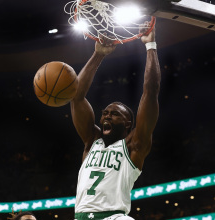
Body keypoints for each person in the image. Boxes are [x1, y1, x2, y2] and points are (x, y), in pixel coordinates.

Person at [70, 25, 161, 220]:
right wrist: (98, 54)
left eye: (114, 114)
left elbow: (150, 91)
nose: (106, 116)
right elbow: (76, 97)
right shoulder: (91, 141)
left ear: (128, 123)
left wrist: (150, 45)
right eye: (104, 113)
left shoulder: (133, 145)